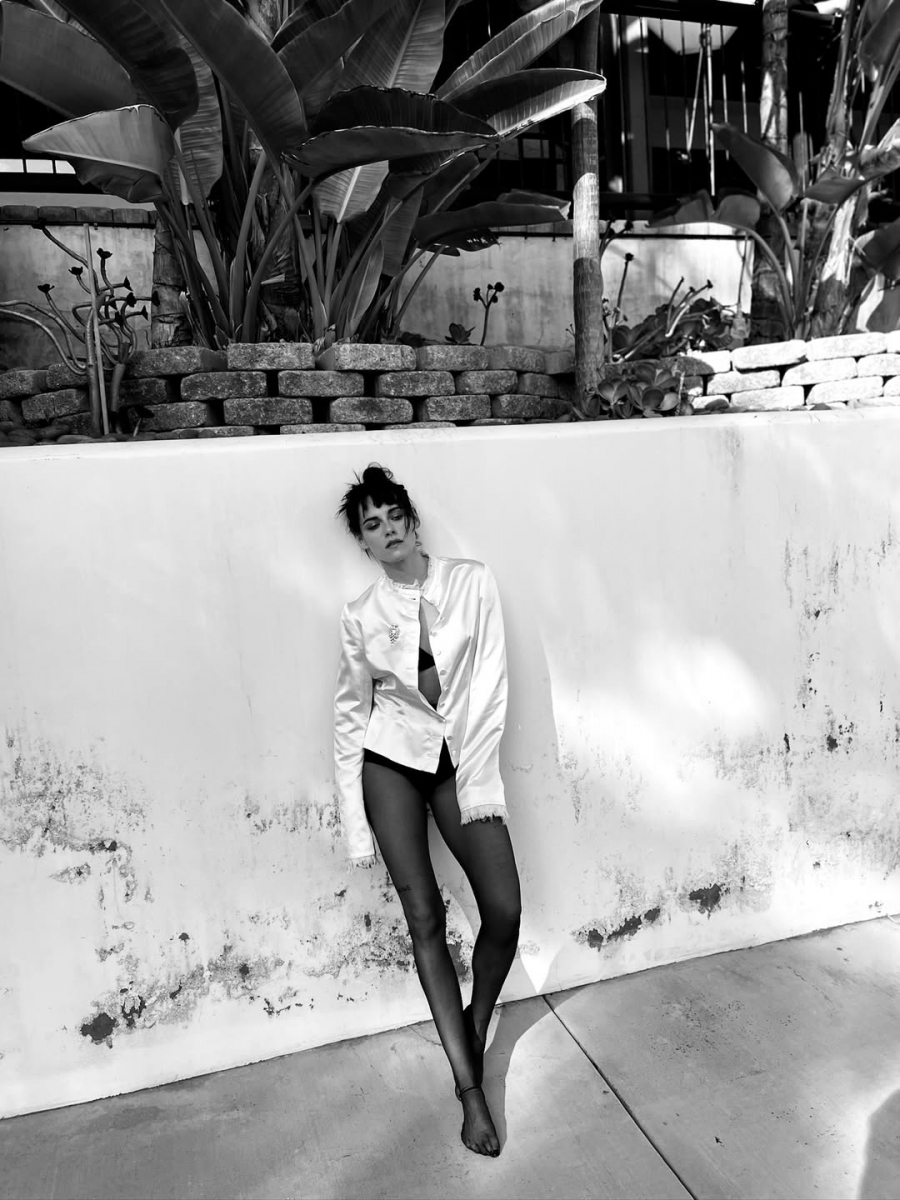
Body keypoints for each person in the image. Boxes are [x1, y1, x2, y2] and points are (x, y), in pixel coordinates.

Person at [333, 464, 521, 1157]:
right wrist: (356, 827)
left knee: (504, 910)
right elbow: (350, 719)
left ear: (413, 521)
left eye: (393, 516)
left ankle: (475, 1022)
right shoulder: (360, 615)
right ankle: (469, 1090)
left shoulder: (472, 583)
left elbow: (491, 685)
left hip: (458, 760)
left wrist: (478, 783)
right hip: (391, 766)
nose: (386, 531)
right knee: (426, 922)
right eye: (371, 525)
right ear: (364, 544)